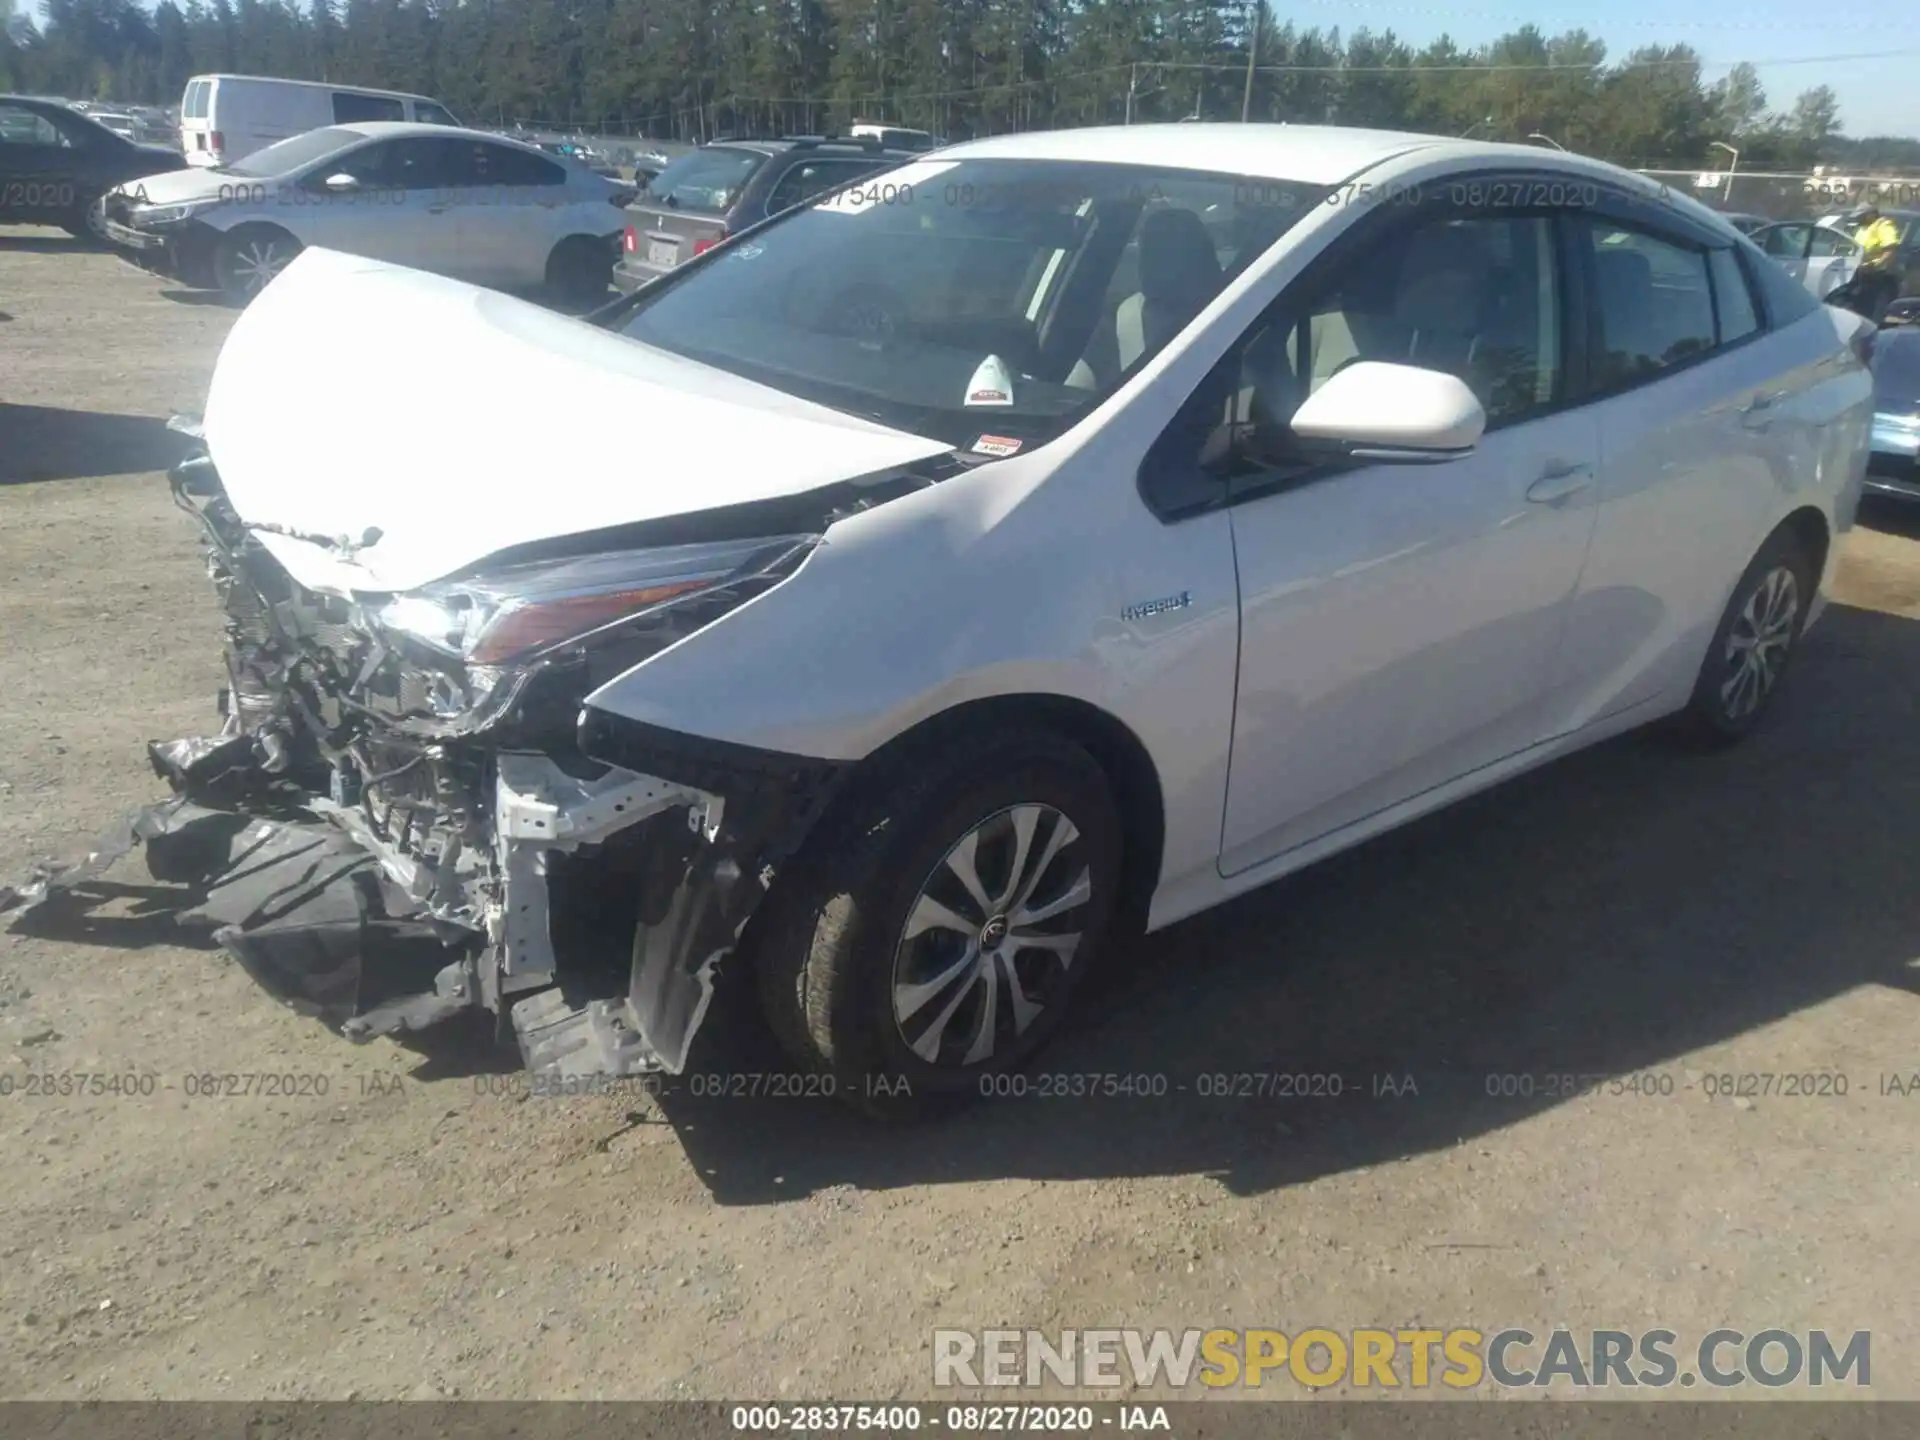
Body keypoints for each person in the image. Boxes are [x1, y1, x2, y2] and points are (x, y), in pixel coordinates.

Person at [1851, 204, 1901, 324]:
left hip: (1879, 274)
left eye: (1861, 216)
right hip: (1863, 273)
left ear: (1871, 215)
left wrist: (1876, 264)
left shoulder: (1883, 227)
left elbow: (1890, 249)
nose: (1858, 219)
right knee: (1862, 307)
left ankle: (1875, 333)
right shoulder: (1863, 228)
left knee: (1875, 309)